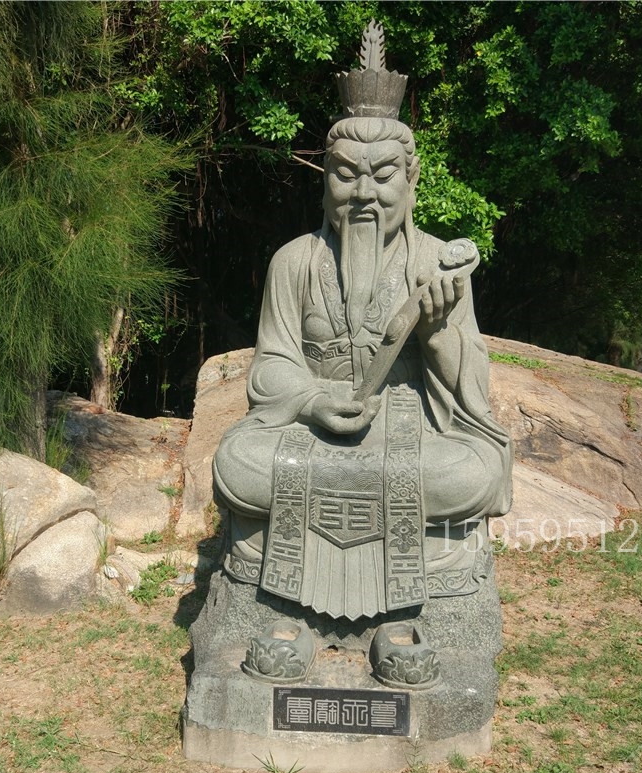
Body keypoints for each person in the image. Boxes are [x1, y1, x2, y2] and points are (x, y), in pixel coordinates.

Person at [213, 29, 512, 622]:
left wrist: (436, 333)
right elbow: (271, 367)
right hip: (312, 433)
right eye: (346, 175)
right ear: (325, 179)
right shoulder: (294, 261)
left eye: (383, 176)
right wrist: (312, 401)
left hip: (413, 433)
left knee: (471, 472)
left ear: (412, 178)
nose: (364, 193)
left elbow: (471, 387)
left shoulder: (436, 262)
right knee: (236, 461)